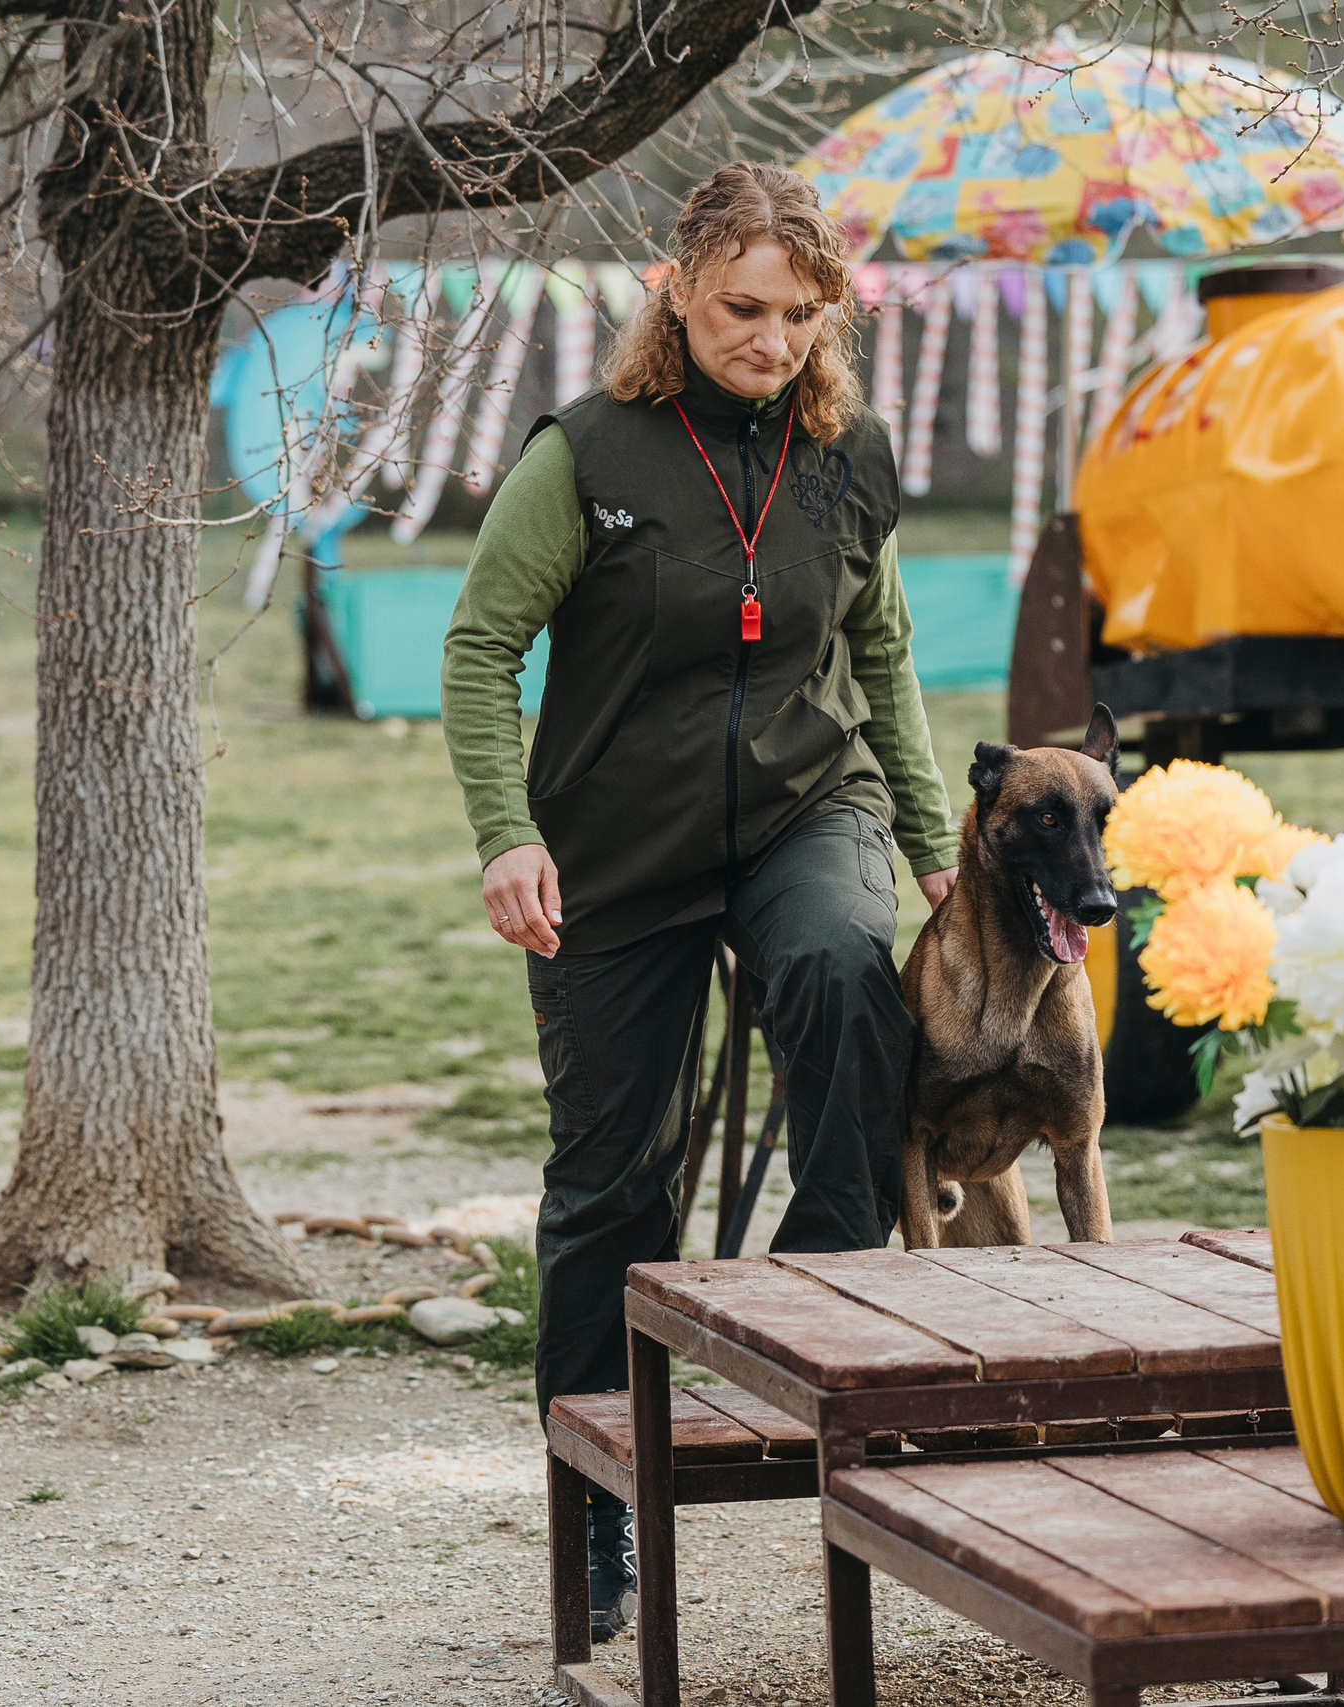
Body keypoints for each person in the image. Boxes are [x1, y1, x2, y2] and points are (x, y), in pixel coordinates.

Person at [439, 163, 961, 1637]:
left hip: (809, 803)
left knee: (846, 967)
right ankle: (599, 1507)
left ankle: (815, 1288)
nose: (773, 338)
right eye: (743, 307)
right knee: (612, 1180)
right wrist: (506, 832)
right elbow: (481, 648)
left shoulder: (848, 459)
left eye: (801, 313)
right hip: (616, 845)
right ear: (676, 290)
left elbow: (889, 655)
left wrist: (926, 839)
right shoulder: (590, 454)